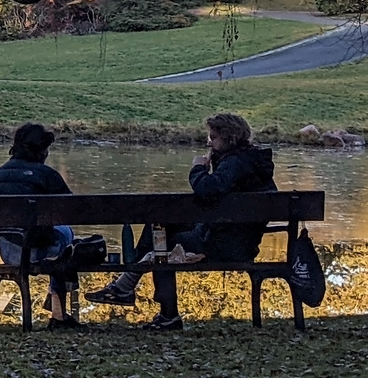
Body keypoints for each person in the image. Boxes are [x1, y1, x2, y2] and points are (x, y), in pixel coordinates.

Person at [85, 112, 277, 330]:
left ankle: (162, 311)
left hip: (222, 244)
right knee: (159, 226)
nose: (209, 142)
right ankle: (126, 285)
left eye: (213, 138)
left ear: (228, 138)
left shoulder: (235, 163)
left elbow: (208, 190)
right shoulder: (251, 161)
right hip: (238, 240)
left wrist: (198, 168)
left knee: (161, 245)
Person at [0, 123, 78, 328]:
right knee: (68, 239)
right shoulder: (47, 175)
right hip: (38, 250)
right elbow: (72, 210)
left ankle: (58, 311)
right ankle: (59, 312)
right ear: (42, 150)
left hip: (8, 251)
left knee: (64, 245)